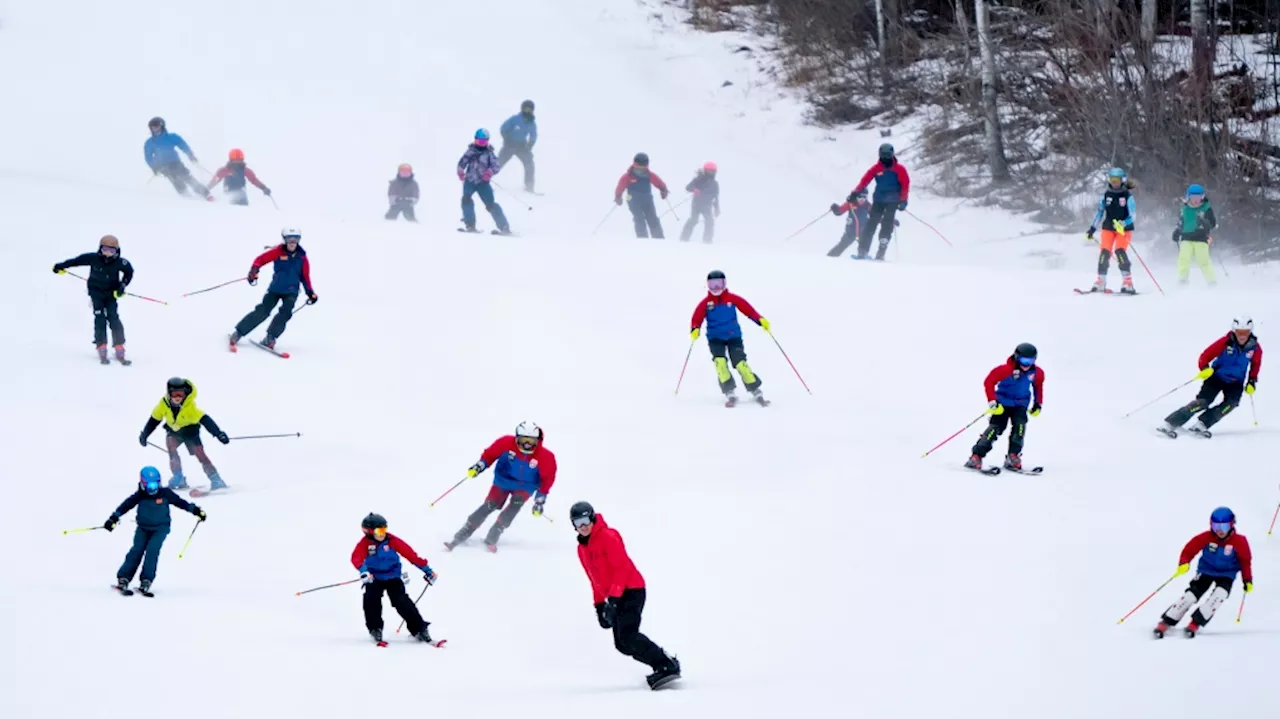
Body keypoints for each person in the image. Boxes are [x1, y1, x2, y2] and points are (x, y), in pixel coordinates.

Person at [571, 501, 681, 690]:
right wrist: (599, 606)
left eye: (585, 520)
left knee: (629, 635)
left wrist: (613, 600)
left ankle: (667, 665)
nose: (583, 526)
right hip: (615, 595)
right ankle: (661, 665)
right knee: (622, 644)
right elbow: (594, 579)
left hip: (631, 589)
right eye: (577, 523)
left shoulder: (608, 536)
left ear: (592, 518)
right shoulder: (582, 549)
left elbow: (622, 569)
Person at [445, 422, 557, 553]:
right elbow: (489, 455)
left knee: (515, 505)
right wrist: (479, 467)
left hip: (526, 486)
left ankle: (496, 531)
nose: (527, 444)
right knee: (490, 504)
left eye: (531, 441)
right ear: (516, 438)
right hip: (503, 481)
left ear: (538, 440)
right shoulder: (505, 443)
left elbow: (548, 478)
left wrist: (540, 500)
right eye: (523, 440)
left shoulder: (546, 456)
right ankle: (466, 529)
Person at [105, 466, 207, 596]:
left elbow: (181, 503)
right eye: (149, 486)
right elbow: (126, 505)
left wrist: (196, 510)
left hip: (160, 528)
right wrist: (113, 518)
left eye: (155, 485)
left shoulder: (165, 494)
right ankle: (124, 578)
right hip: (143, 528)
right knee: (136, 550)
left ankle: (146, 581)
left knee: (152, 551)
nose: (152, 489)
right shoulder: (139, 496)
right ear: (142, 484)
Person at [1154, 507, 1252, 638]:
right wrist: (1184, 562)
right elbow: (1189, 549)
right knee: (1191, 596)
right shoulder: (1206, 537)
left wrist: (1247, 580)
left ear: (1232, 525)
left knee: (1219, 596)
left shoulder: (1239, 541)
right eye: (1216, 526)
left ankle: (1195, 623)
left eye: (1224, 526)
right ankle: (1167, 621)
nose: (1220, 531)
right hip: (1206, 570)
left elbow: (1245, 561)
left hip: (1227, 574)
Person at [1159, 316, 1261, 438]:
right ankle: (1170, 423)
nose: (1242, 336)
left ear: (1250, 332)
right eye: (1239, 332)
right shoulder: (1225, 342)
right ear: (1234, 331)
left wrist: (1252, 380)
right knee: (1202, 402)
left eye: (1245, 332)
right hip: (1216, 377)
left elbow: (1256, 364)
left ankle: (1202, 424)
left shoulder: (1255, 348)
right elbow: (1205, 355)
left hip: (1236, 382)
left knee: (1231, 404)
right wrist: (1205, 368)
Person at [351, 513, 440, 645]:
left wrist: (427, 570)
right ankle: (375, 628)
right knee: (371, 599)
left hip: (393, 576)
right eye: (379, 531)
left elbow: (411, 555)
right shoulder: (365, 544)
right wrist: (364, 572)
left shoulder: (392, 540)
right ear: (368, 532)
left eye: (384, 529)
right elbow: (356, 558)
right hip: (373, 577)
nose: (382, 534)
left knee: (401, 600)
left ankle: (419, 629)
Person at [690, 270, 770, 406]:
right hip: (715, 338)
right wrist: (695, 328)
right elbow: (696, 318)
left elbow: (748, 310)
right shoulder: (706, 303)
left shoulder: (732, 299)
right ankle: (729, 390)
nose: (716, 288)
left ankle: (755, 388)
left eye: (719, 284)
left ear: (724, 283)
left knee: (740, 364)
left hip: (733, 336)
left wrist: (759, 320)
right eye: (712, 284)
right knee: (720, 363)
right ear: (707, 285)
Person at [229, 228, 317, 351]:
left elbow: (305, 276)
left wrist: (310, 292)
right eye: (289, 239)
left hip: (291, 291)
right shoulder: (278, 252)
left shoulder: (302, 257)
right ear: (284, 240)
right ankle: (238, 332)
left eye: (295, 239)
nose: (292, 242)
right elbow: (260, 260)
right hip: (275, 289)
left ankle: (270, 338)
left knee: (285, 313)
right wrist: (254, 270)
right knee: (262, 311)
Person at [52, 235, 134, 364]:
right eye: (105, 249)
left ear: (117, 251)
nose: (107, 254)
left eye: (111, 251)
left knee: (113, 317)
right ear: (100, 249)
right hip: (96, 292)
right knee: (99, 317)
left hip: (111, 294)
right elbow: (76, 261)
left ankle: (119, 345)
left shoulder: (121, 263)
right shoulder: (93, 258)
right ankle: (101, 345)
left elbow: (129, 272)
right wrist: (60, 266)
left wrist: (122, 286)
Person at [139, 377, 230, 492]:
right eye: (175, 394)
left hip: (191, 432)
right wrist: (145, 434)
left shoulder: (190, 407)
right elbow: (154, 420)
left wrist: (218, 434)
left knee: (200, 454)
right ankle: (178, 477)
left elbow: (206, 420)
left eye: (181, 394)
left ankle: (215, 479)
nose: (178, 397)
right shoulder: (163, 405)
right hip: (174, 432)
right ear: (169, 393)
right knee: (171, 448)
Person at [964, 343, 1044, 472]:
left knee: (1020, 427)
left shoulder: (1036, 373)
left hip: (1020, 404)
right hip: (1002, 403)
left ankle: (1013, 456)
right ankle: (976, 456)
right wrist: (992, 400)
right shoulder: (1005, 370)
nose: (1027, 364)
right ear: (1017, 357)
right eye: (1024, 360)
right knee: (995, 428)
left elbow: (1038, 386)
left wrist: (1038, 403)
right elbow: (989, 381)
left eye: (1031, 361)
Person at [849, 143, 909, 260]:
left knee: (886, 224)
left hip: (892, 201)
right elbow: (864, 181)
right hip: (879, 200)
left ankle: (881, 251)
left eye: (888, 155)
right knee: (871, 224)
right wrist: (855, 193)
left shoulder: (899, 169)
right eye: (883, 155)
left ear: (892, 155)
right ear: (880, 155)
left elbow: (905, 185)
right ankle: (863, 250)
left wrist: (903, 200)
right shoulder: (876, 169)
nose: (885, 158)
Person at [1085, 168, 1138, 294]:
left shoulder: (1127, 196)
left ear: (1122, 180)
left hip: (1123, 229)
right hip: (1108, 227)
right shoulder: (1106, 195)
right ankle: (1101, 281)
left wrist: (1124, 223)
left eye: (1117, 180)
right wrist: (1092, 228)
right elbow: (1099, 212)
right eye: (1112, 179)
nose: (1114, 182)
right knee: (1105, 252)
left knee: (1119, 251)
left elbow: (1133, 215)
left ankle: (1127, 281)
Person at [457, 129, 512, 235]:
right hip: (470, 181)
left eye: (484, 141)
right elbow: (462, 162)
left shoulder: (489, 153)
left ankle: (504, 227)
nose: (481, 144)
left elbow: (496, 165)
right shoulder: (470, 151)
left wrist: (489, 173)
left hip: (483, 183)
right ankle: (470, 225)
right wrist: (460, 171)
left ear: (487, 141)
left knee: (491, 204)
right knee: (466, 200)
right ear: (475, 140)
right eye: (479, 141)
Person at [143, 116, 209, 198]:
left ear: (162, 126)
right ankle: (186, 195)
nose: (155, 128)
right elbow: (148, 157)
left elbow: (183, 145)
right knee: (175, 179)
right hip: (163, 166)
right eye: (153, 127)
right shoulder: (150, 142)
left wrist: (190, 155)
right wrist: (154, 167)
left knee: (187, 177)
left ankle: (205, 193)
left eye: (157, 126)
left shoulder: (171, 137)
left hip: (175, 162)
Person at [614, 152, 669, 239]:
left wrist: (663, 190)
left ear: (646, 165)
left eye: (642, 166)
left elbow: (659, 183)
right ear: (634, 164)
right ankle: (642, 238)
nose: (640, 168)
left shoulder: (649, 175)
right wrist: (618, 197)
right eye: (638, 166)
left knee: (652, 218)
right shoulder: (628, 176)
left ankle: (658, 238)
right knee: (639, 218)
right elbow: (620, 187)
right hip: (632, 198)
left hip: (647, 198)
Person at [1173, 184, 1217, 286]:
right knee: (1184, 258)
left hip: (1201, 238)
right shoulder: (1184, 209)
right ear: (1189, 197)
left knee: (1203, 260)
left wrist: (1205, 223)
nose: (1196, 200)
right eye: (1193, 198)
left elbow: (1213, 223)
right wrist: (1177, 231)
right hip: (1186, 237)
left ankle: (1211, 281)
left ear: (1202, 197)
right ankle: (1183, 280)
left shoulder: (1206, 208)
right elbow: (1180, 222)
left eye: (1198, 197)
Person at [206, 148, 272, 206]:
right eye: (235, 160)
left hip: (242, 198)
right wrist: (206, 189)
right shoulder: (224, 170)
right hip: (228, 197)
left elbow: (254, 180)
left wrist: (263, 188)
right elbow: (215, 180)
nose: (237, 162)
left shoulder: (245, 170)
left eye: (239, 160)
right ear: (231, 160)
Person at [497, 100, 538, 192]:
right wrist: (506, 139)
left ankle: (529, 186)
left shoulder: (532, 123)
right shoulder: (515, 119)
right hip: (509, 146)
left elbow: (533, 135)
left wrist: (529, 145)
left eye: (530, 110)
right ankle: (482, 181)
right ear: (522, 109)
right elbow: (503, 128)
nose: (527, 112)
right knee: (497, 164)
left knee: (529, 164)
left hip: (522, 147)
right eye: (526, 109)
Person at [679, 162, 720, 243]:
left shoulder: (715, 184)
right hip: (696, 204)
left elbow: (716, 197)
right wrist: (694, 189)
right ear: (705, 170)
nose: (711, 173)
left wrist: (717, 208)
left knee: (709, 221)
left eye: (713, 171)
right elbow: (688, 187)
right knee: (694, 219)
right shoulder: (698, 179)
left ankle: (707, 240)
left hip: (707, 206)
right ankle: (684, 238)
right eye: (710, 171)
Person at [826, 188, 872, 258]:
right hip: (850, 232)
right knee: (841, 246)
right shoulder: (850, 204)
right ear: (856, 196)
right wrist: (835, 208)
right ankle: (829, 257)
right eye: (860, 197)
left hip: (862, 232)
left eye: (864, 197)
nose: (862, 199)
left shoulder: (867, 205)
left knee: (863, 246)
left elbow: (876, 216)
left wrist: (890, 221)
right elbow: (840, 211)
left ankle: (862, 256)